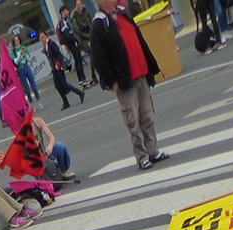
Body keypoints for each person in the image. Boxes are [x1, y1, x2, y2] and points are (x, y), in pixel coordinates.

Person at [90, 0, 170, 170]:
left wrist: (150, 65)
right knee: (133, 121)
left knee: (147, 115)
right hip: (125, 81)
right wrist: (112, 82)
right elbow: (99, 57)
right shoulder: (99, 24)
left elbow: (139, 41)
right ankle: (142, 157)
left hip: (141, 72)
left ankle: (153, 151)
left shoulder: (123, 14)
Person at [40, 31, 86, 109]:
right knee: (57, 85)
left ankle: (79, 93)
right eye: (41, 38)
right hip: (54, 69)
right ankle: (65, 101)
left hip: (58, 67)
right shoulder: (45, 47)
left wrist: (58, 64)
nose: (42, 39)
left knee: (64, 84)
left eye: (43, 37)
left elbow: (58, 54)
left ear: (46, 37)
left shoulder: (51, 44)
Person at [57, 4, 89, 85]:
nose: (67, 12)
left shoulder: (66, 21)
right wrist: (74, 40)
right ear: (62, 12)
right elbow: (67, 34)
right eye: (66, 11)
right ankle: (82, 79)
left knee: (78, 60)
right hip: (71, 44)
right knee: (78, 60)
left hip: (71, 43)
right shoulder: (63, 22)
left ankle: (82, 78)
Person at [71, 0, 99, 82]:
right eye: (78, 4)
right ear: (75, 6)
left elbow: (92, 21)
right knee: (92, 56)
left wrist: (93, 34)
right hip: (85, 39)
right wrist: (88, 37)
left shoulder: (87, 12)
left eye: (80, 4)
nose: (80, 6)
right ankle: (94, 76)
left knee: (98, 54)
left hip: (92, 35)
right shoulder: (75, 17)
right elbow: (78, 32)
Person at [11, 35, 42, 107]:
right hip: (20, 69)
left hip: (26, 66)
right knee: (26, 88)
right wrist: (19, 54)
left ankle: (39, 101)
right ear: (13, 42)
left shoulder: (23, 47)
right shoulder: (13, 51)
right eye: (15, 40)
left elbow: (29, 60)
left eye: (18, 40)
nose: (17, 41)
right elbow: (15, 62)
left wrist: (25, 53)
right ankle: (32, 104)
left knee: (33, 85)